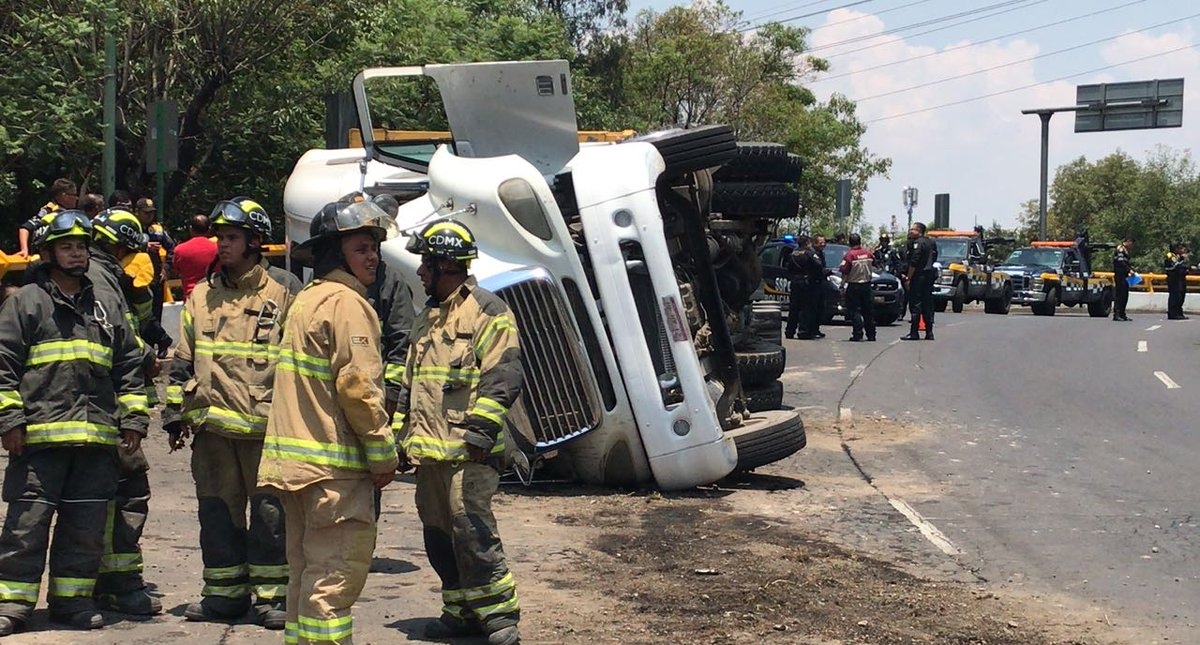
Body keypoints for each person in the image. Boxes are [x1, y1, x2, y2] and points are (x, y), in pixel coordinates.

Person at [0, 211, 148, 635]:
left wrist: (134, 418)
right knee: (26, 525)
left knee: (84, 530)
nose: (77, 253)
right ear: (48, 253)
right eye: (67, 246)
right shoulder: (26, 301)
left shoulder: (104, 304)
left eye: (82, 246)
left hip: (96, 440)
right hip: (40, 440)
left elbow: (129, 364)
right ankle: (12, 603)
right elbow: (4, 365)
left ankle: (72, 601)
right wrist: (10, 420)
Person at [258, 199, 399, 645]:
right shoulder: (348, 304)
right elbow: (358, 388)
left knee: (303, 576)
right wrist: (383, 455)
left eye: (374, 247)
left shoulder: (306, 301)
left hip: (298, 471)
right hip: (332, 475)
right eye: (362, 248)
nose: (373, 256)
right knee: (332, 583)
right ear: (338, 255)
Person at [163, 197, 297, 629]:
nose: (222, 245)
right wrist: (172, 413)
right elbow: (183, 356)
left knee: (270, 519)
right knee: (216, 515)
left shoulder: (286, 293)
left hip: (267, 431)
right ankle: (222, 595)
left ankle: (273, 598)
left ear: (256, 242)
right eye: (220, 237)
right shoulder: (202, 295)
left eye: (232, 237)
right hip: (213, 431)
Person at [399, 219, 525, 645]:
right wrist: (401, 438)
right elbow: (410, 385)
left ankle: (499, 616)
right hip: (429, 453)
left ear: (446, 264)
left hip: (468, 452)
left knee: (471, 531)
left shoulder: (489, 312)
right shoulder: (426, 319)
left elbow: (503, 378)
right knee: (438, 536)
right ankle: (459, 611)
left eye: (425, 264)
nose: (419, 273)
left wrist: (478, 435)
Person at [88, 208, 172, 616]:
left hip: (85, 406)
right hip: (110, 407)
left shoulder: (89, 275)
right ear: (120, 245)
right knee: (126, 491)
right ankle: (120, 583)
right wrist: (148, 357)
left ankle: (90, 581)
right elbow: (121, 340)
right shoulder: (103, 281)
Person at [134, 197, 177, 321]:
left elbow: (172, 248)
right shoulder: (132, 228)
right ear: (137, 212)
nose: (149, 215)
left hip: (156, 277)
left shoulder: (157, 229)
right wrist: (145, 247)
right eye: (146, 212)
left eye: (152, 212)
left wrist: (166, 268)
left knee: (156, 314)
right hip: (137, 278)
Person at [16, 178, 78, 257]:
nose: (76, 198)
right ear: (64, 195)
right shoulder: (49, 210)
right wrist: (24, 249)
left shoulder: (71, 214)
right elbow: (25, 228)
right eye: (74, 195)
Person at [902, 222, 937, 341]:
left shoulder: (918, 243)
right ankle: (929, 332)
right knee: (927, 304)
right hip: (929, 276)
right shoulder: (930, 242)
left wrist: (908, 277)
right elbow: (934, 257)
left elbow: (914, 262)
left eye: (913, 229)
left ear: (919, 231)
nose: (910, 231)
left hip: (919, 276)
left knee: (916, 304)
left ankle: (914, 332)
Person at [172, 214, 219, 299]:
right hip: (214, 297)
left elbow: (176, 271)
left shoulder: (179, 250)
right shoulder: (218, 249)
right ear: (209, 229)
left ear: (191, 229)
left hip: (191, 298)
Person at [839, 233, 876, 342]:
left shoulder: (849, 255)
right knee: (868, 311)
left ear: (850, 243)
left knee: (854, 310)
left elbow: (845, 272)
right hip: (867, 285)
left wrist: (841, 286)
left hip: (854, 286)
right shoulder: (868, 253)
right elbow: (875, 264)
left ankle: (858, 334)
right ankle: (871, 335)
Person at [784, 236, 818, 340]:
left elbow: (788, 268)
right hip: (806, 283)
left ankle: (790, 331)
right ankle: (803, 331)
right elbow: (818, 266)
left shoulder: (792, 254)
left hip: (795, 282)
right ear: (807, 243)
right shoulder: (809, 253)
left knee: (793, 307)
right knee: (805, 307)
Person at [810, 235, 829, 339]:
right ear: (814, 243)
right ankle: (811, 329)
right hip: (813, 284)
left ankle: (816, 329)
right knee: (813, 308)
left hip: (821, 283)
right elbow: (818, 269)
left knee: (821, 308)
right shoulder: (813, 254)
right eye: (820, 242)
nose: (823, 244)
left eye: (823, 242)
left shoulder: (821, 254)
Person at [1164, 241, 1189, 320]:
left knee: (1180, 295)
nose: (1181, 250)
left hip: (1179, 278)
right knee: (1175, 296)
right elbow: (1176, 266)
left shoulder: (1177, 256)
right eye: (1179, 248)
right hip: (1173, 279)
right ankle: (1173, 313)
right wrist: (1183, 263)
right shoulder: (1170, 255)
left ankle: (1178, 312)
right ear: (1175, 248)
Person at [1113, 237, 1134, 322]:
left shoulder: (1125, 250)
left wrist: (1131, 268)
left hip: (1124, 275)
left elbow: (1126, 262)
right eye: (1132, 243)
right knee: (1120, 295)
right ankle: (1117, 314)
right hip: (1120, 275)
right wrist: (1129, 270)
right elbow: (1121, 262)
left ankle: (1122, 314)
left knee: (1124, 295)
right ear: (1128, 242)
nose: (1132, 246)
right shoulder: (1120, 249)